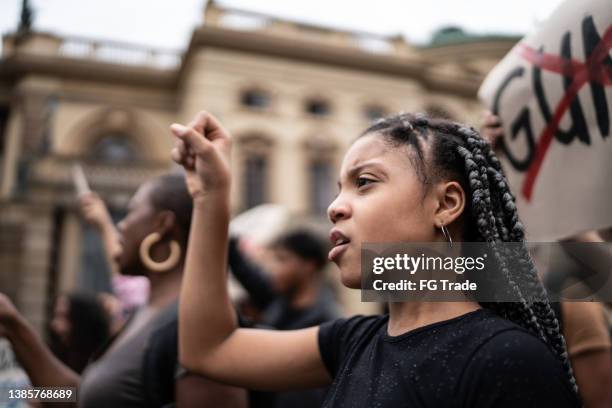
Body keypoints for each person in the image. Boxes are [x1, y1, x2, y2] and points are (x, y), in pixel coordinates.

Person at [171, 111, 580, 407]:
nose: (335, 206)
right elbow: (209, 349)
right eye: (338, 188)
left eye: (364, 183)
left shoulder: (507, 359)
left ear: (446, 203)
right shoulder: (351, 341)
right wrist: (211, 197)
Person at [0, 173, 247, 408]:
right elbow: (81, 396)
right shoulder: (144, 313)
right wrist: (15, 328)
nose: (122, 226)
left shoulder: (195, 322)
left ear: (162, 224)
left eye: (130, 213)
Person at [230, 229, 340, 407]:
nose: (273, 269)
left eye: (282, 259)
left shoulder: (330, 323)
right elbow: (246, 273)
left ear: (308, 266)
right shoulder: (277, 302)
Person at [48, 293, 110, 374]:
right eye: (55, 316)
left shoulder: (101, 366)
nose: (54, 324)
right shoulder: (55, 355)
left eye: (64, 317)